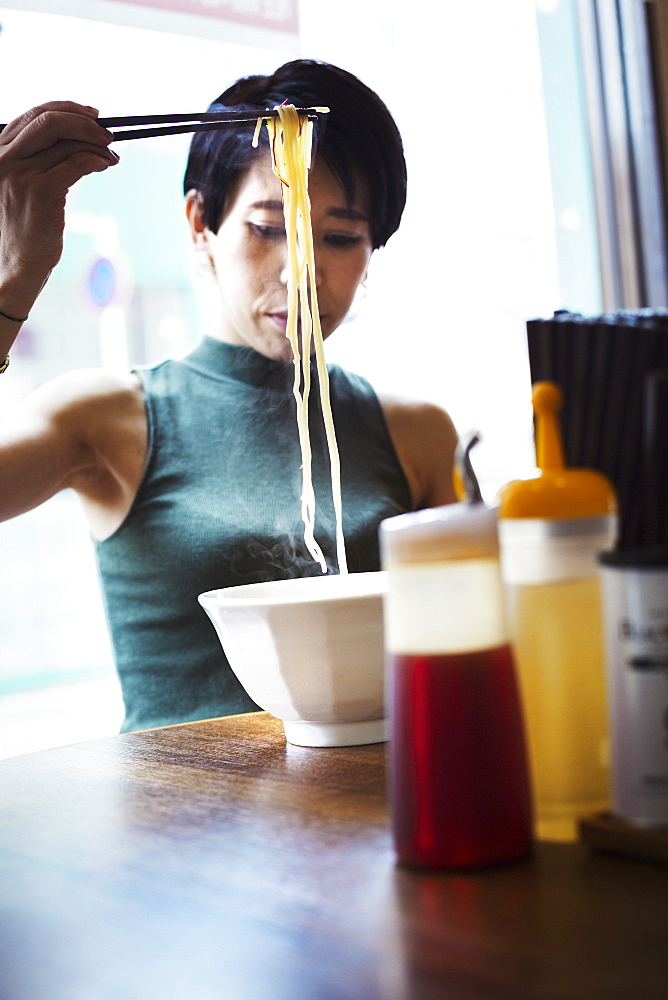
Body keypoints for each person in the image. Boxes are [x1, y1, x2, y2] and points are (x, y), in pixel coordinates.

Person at [0, 59, 458, 732]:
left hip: (380, 821)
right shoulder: (102, 419)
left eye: (340, 237)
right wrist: (14, 278)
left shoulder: (418, 434)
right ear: (200, 224)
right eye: (269, 227)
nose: (303, 268)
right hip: (180, 827)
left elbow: (466, 649)